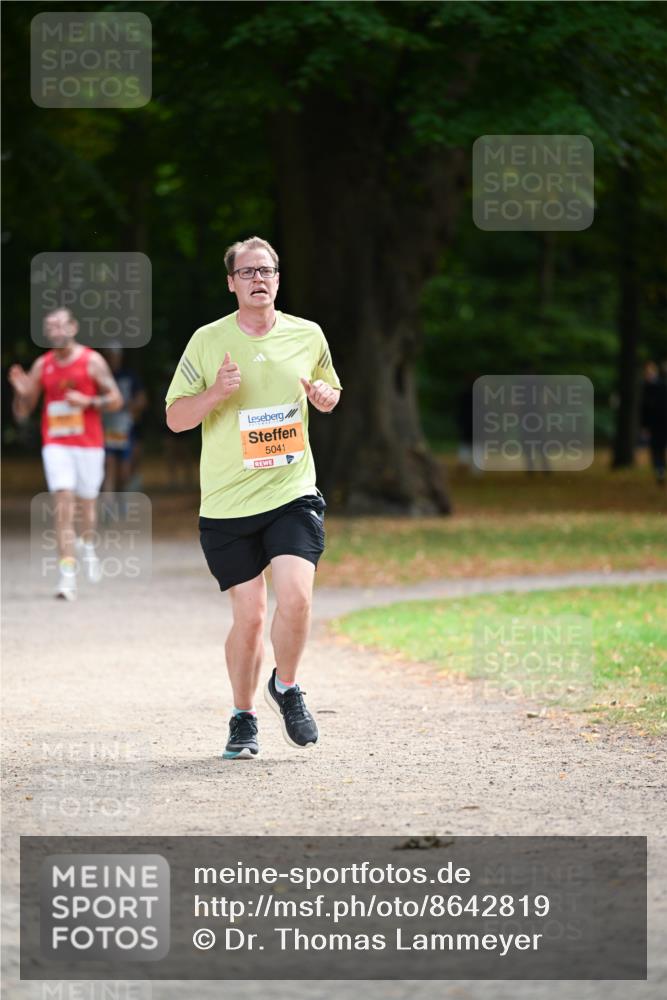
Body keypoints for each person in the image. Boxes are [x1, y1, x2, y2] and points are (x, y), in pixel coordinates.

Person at [165, 236, 342, 759]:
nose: (258, 279)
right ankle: (242, 717)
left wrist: (327, 398)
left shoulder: (307, 335)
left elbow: (329, 388)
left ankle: (285, 687)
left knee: (298, 597)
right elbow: (175, 418)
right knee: (250, 618)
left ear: (278, 279)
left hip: (291, 490)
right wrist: (216, 392)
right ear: (231, 283)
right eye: (247, 272)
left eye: (266, 270)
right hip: (227, 503)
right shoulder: (207, 341)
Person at [8, 307, 123, 600]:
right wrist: (22, 394)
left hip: (89, 445)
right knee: (63, 505)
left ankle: (87, 544)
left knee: (87, 507)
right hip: (56, 445)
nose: (56, 331)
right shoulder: (42, 365)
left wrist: (88, 400)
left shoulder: (92, 361)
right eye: (51, 327)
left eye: (61, 325)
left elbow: (115, 400)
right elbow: (22, 414)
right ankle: (67, 575)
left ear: (73, 327)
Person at [101, 346, 148, 504]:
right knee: (109, 466)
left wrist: (128, 407)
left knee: (124, 472)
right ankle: (107, 505)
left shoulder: (130, 376)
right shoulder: (99, 376)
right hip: (105, 430)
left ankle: (120, 499)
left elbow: (142, 400)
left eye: (114, 355)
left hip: (125, 430)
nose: (111, 359)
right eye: (108, 355)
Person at [640, 360, 667, 486]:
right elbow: (644, 410)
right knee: (655, 449)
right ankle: (659, 469)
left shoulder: (661, 386)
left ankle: (660, 468)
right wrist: (644, 426)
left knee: (659, 448)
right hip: (653, 425)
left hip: (661, 424)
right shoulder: (645, 388)